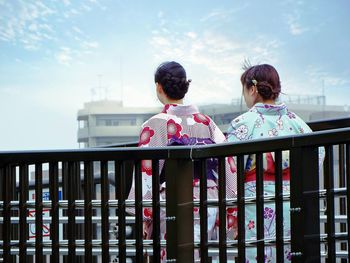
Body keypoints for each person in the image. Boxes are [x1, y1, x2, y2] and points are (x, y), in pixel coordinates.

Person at [128, 61, 237, 262]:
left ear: (159, 87)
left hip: (173, 197)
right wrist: (231, 207)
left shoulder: (154, 124)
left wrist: (143, 215)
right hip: (208, 198)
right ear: (185, 86)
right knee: (201, 253)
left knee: (172, 256)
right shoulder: (206, 122)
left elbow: (147, 173)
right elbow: (228, 164)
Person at [226, 63, 324, 262]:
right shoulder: (298, 124)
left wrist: (232, 213)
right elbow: (318, 156)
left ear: (252, 89)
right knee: (292, 253)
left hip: (256, 202)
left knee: (259, 253)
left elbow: (230, 169)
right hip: (294, 202)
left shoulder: (243, 123)